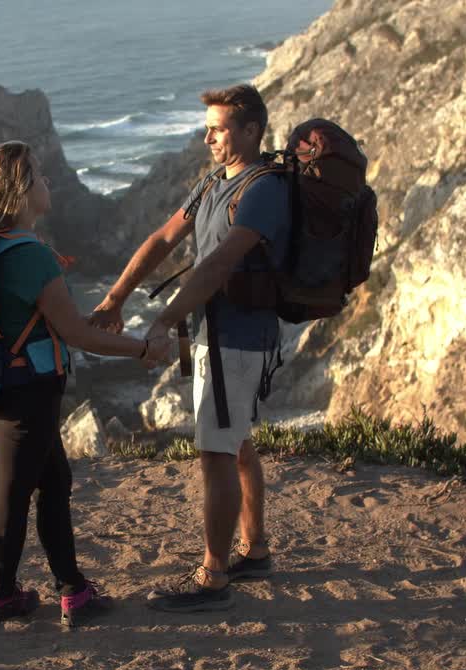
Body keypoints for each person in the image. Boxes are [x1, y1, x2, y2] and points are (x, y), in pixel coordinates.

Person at [88, 85, 289, 612]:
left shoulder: (264, 189)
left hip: (237, 340)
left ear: (252, 131)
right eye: (208, 128)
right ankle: (256, 549)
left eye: (218, 129)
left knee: (216, 453)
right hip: (211, 334)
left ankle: (214, 576)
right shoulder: (212, 182)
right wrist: (115, 297)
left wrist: (162, 321)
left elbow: (217, 265)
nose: (207, 138)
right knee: (236, 443)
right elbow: (162, 239)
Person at [0, 141, 174, 626]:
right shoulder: (30, 255)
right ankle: (1, 596)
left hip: (7, 384)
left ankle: (72, 589)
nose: (48, 182)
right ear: (20, 192)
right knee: (14, 493)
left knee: (53, 481)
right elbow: (75, 333)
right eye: (38, 175)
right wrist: (143, 349)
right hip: (30, 389)